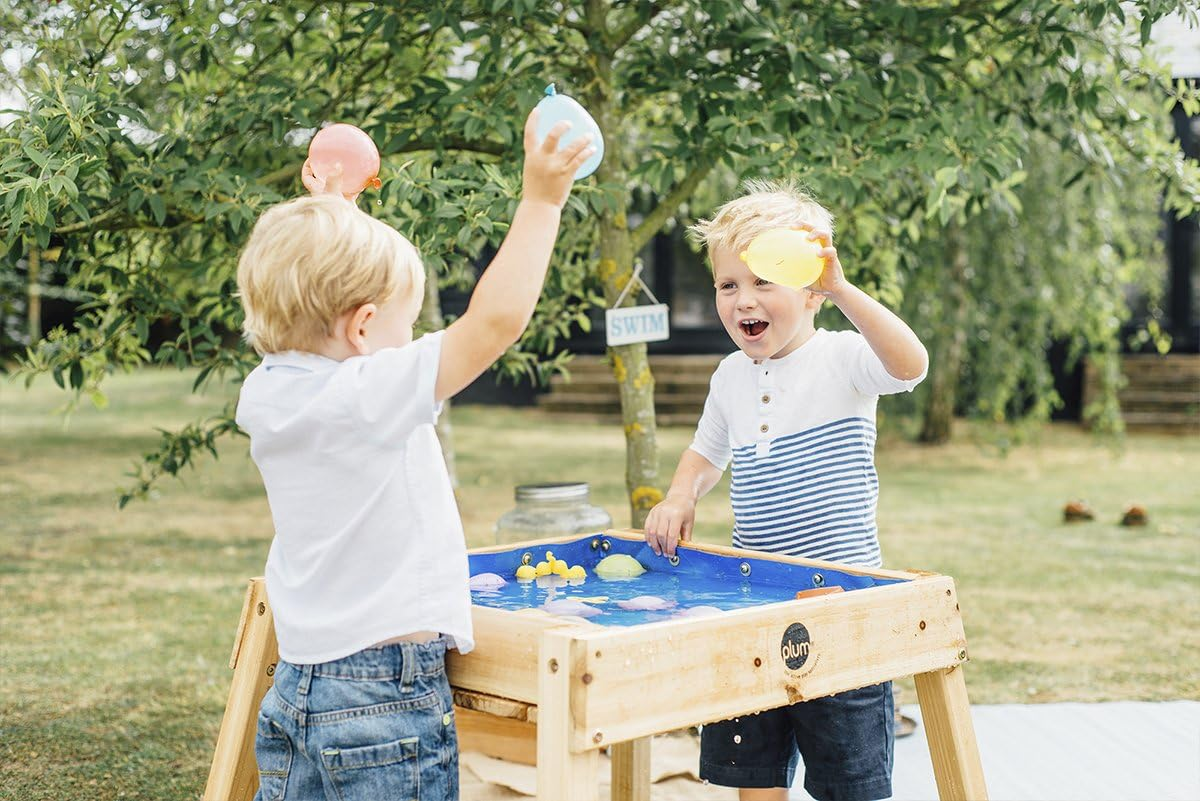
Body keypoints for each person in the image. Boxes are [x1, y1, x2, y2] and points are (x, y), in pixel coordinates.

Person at [234, 111, 595, 801]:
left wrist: (334, 210)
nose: (418, 338)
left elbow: (312, 286)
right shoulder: (365, 394)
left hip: (301, 682)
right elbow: (494, 323)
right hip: (382, 696)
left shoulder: (269, 393)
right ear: (364, 328)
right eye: (409, 322)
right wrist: (542, 200)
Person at [642, 179, 928, 801]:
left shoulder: (843, 359)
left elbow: (910, 365)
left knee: (848, 777)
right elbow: (705, 453)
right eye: (728, 285)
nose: (743, 299)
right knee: (754, 769)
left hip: (842, 603)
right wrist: (681, 494)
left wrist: (844, 288)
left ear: (811, 290)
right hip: (755, 602)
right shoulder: (729, 377)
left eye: (764, 280)